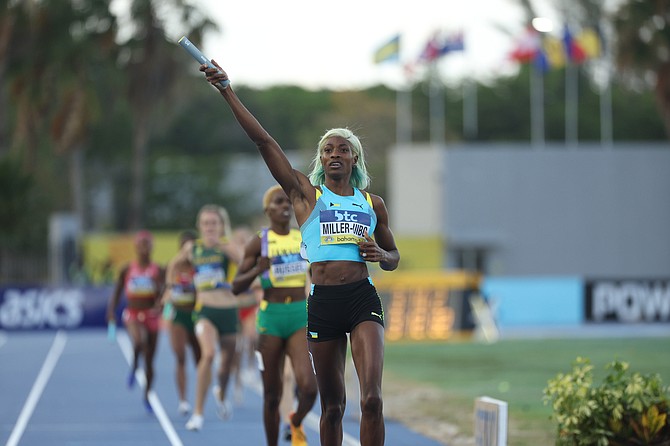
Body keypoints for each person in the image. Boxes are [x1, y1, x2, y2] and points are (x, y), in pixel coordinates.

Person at [200, 63, 400, 446]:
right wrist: (227, 90)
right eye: (328, 150)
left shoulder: (372, 203)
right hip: (323, 301)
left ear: (355, 159)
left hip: (362, 297)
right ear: (321, 160)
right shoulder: (306, 195)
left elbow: (394, 256)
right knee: (333, 407)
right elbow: (264, 143)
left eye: (343, 149)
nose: (335, 154)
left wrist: (381, 255)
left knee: (372, 399)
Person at [232, 185, 318, 446]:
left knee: (309, 388)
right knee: (271, 395)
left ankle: (295, 420)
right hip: (270, 320)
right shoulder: (259, 241)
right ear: (267, 209)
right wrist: (256, 270)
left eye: (288, 202)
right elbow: (237, 286)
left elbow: (317, 272)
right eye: (278, 202)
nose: (285, 207)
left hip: (298, 316)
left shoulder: (301, 237)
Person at [173, 204, 255, 431]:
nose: (209, 227)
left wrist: (224, 245)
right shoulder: (193, 249)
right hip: (204, 311)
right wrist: (172, 287)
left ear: (221, 226)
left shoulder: (228, 247)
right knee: (207, 355)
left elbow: (245, 263)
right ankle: (198, 413)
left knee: (226, 368)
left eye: (214, 223)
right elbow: (173, 265)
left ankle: (221, 392)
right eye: (206, 223)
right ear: (200, 226)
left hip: (228, 311)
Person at [106, 230, 165, 413]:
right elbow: (117, 292)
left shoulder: (158, 270)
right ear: (136, 247)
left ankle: (147, 394)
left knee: (150, 360)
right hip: (133, 313)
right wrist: (111, 312)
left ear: (152, 247)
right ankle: (134, 365)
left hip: (151, 315)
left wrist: (160, 303)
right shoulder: (127, 269)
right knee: (139, 341)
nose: (144, 249)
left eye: (147, 245)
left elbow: (164, 293)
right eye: (141, 245)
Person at [161, 229, 202, 416]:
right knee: (180, 356)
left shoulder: (201, 265)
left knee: (200, 359)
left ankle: (199, 399)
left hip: (197, 314)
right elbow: (167, 291)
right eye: (185, 248)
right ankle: (183, 400)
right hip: (179, 315)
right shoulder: (174, 266)